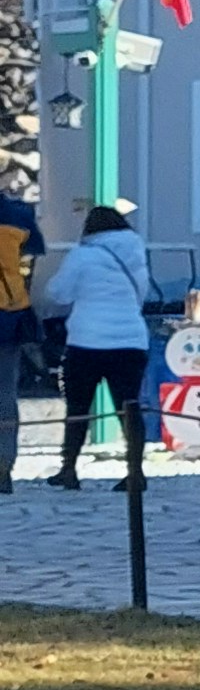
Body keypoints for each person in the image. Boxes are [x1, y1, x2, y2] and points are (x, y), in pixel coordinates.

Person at [38, 202, 154, 489]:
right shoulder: (136, 252)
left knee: (78, 407)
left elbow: (58, 293)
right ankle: (136, 472)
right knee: (128, 407)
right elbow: (143, 293)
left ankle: (69, 469)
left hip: (86, 341)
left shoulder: (83, 255)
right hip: (130, 340)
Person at [0, 176, 40, 488]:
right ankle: (4, 463)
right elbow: (33, 257)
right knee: (5, 394)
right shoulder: (18, 215)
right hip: (8, 315)